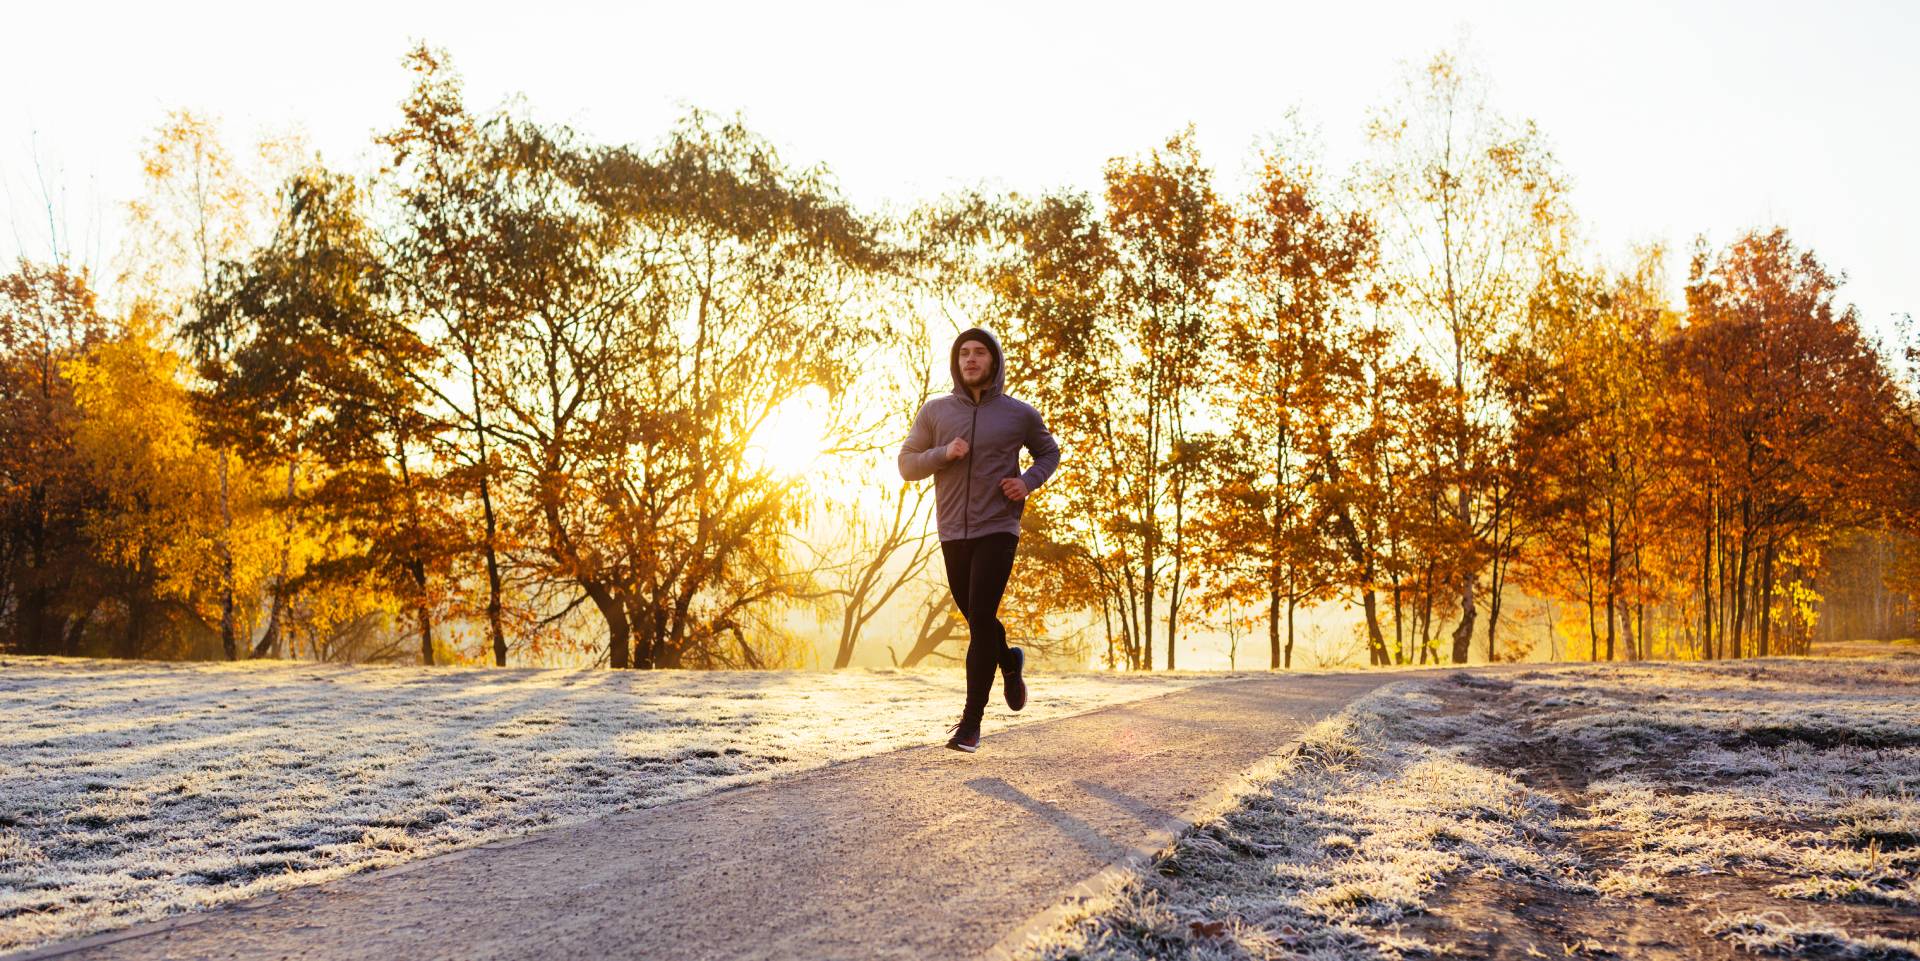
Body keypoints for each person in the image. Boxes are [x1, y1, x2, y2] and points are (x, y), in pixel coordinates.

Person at [897, 326, 1061, 752]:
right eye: (964, 353)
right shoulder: (935, 412)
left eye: (979, 353)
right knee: (979, 620)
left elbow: (1049, 453)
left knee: (982, 615)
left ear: (994, 361)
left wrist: (1027, 482)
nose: (970, 359)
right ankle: (1008, 659)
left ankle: (971, 724)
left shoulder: (1018, 414)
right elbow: (907, 465)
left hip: (998, 527)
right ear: (957, 362)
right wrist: (943, 453)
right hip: (953, 530)